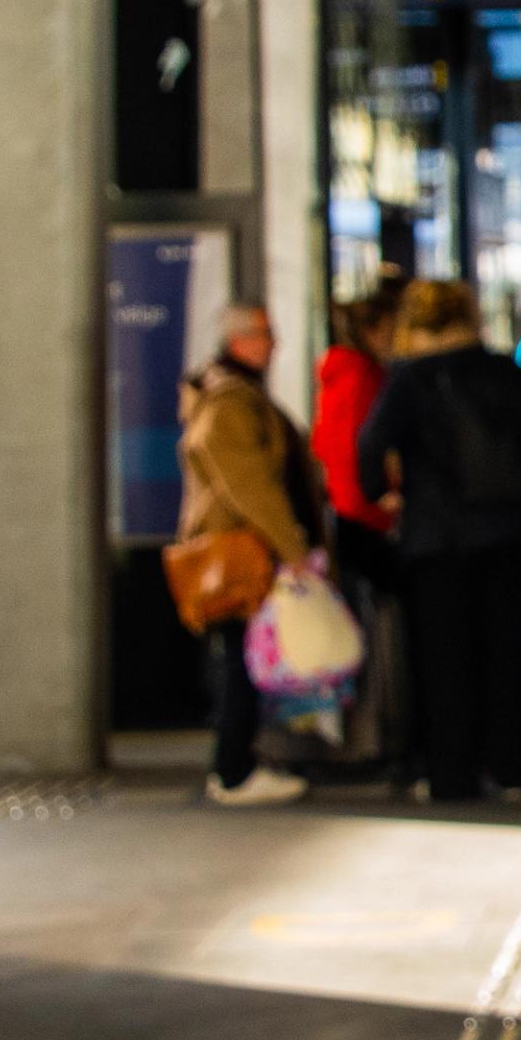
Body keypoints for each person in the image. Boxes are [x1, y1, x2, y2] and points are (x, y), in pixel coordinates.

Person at [355, 279, 521, 804]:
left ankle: (452, 775)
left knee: (443, 658)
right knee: (506, 650)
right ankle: (513, 767)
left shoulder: (408, 379)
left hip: (438, 535)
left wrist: (384, 493)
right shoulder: (501, 368)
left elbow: (370, 447)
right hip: (511, 530)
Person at [177, 302, 315, 807]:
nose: (273, 343)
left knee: (241, 658)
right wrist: (290, 544)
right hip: (239, 550)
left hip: (243, 545)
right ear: (239, 340)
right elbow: (249, 484)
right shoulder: (230, 400)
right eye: (263, 334)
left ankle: (236, 764)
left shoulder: (232, 392)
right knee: (239, 660)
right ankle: (233, 770)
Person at [312, 292, 409, 779]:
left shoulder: (342, 373)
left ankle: (366, 736)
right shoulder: (361, 376)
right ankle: (371, 738)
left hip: (352, 519)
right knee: (374, 633)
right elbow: (355, 453)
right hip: (363, 523)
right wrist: (379, 507)